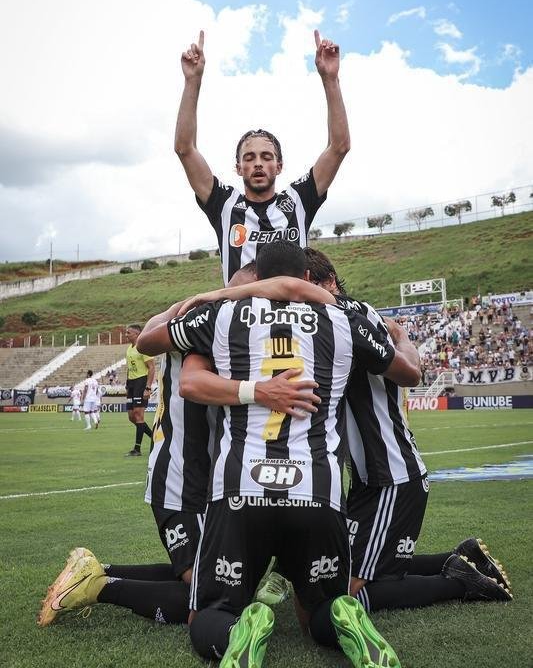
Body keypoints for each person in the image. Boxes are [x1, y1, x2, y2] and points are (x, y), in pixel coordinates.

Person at [138, 241, 421, 667]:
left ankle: (235, 630)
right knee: (319, 610)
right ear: (306, 276)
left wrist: (216, 295)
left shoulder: (222, 314)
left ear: (257, 277)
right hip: (317, 489)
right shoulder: (345, 318)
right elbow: (407, 372)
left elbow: (149, 342)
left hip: (240, 489)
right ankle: (344, 618)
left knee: (208, 613)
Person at [37, 265, 337, 630]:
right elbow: (172, 366)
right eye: (255, 292)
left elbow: (151, 334)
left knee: (215, 577)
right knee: (204, 597)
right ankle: (100, 587)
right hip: (180, 478)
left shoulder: (216, 320)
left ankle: (98, 571)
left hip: (200, 474)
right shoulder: (219, 322)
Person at [303, 246, 512, 616]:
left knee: (346, 596)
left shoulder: (343, 316)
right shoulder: (352, 316)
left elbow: (411, 373)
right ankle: (456, 558)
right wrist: (401, 336)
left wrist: (403, 338)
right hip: (371, 476)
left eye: (303, 286)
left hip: (391, 475)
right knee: (344, 568)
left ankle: (460, 583)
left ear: (329, 281)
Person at [175, 29, 350, 285]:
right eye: (249, 157)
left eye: (266, 156)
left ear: (279, 166)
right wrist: (192, 81)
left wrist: (330, 79)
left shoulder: (298, 201)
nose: (258, 163)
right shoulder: (224, 204)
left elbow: (339, 147)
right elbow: (185, 149)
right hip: (240, 309)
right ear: (238, 167)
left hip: (293, 309)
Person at [124, 324, 155, 456]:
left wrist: (148, 387)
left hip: (141, 382)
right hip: (131, 383)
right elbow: (129, 368)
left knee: (138, 415)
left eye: (128, 333)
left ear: (137, 334)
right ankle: (155, 438)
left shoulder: (143, 348)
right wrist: (127, 386)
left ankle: (137, 449)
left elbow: (151, 367)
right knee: (132, 417)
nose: (126, 335)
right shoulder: (129, 349)